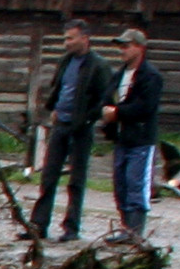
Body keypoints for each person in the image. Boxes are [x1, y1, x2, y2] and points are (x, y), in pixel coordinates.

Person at [30, 22, 116, 240]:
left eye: (71, 38)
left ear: (85, 39)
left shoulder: (98, 66)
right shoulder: (65, 61)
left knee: (76, 179)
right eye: (65, 39)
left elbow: (103, 99)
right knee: (49, 175)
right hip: (61, 124)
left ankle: (71, 227)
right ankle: (39, 225)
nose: (66, 43)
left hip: (82, 128)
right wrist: (54, 108)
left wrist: (87, 120)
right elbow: (59, 88)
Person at [101, 27, 165, 241]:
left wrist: (118, 112)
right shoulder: (119, 75)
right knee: (120, 184)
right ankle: (124, 228)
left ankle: (135, 231)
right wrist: (105, 111)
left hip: (141, 139)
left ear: (140, 47)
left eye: (126, 46)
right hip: (121, 138)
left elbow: (145, 107)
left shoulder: (151, 77)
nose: (122, 50)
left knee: (136, 183)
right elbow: (107, 98)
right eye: (121, 46)